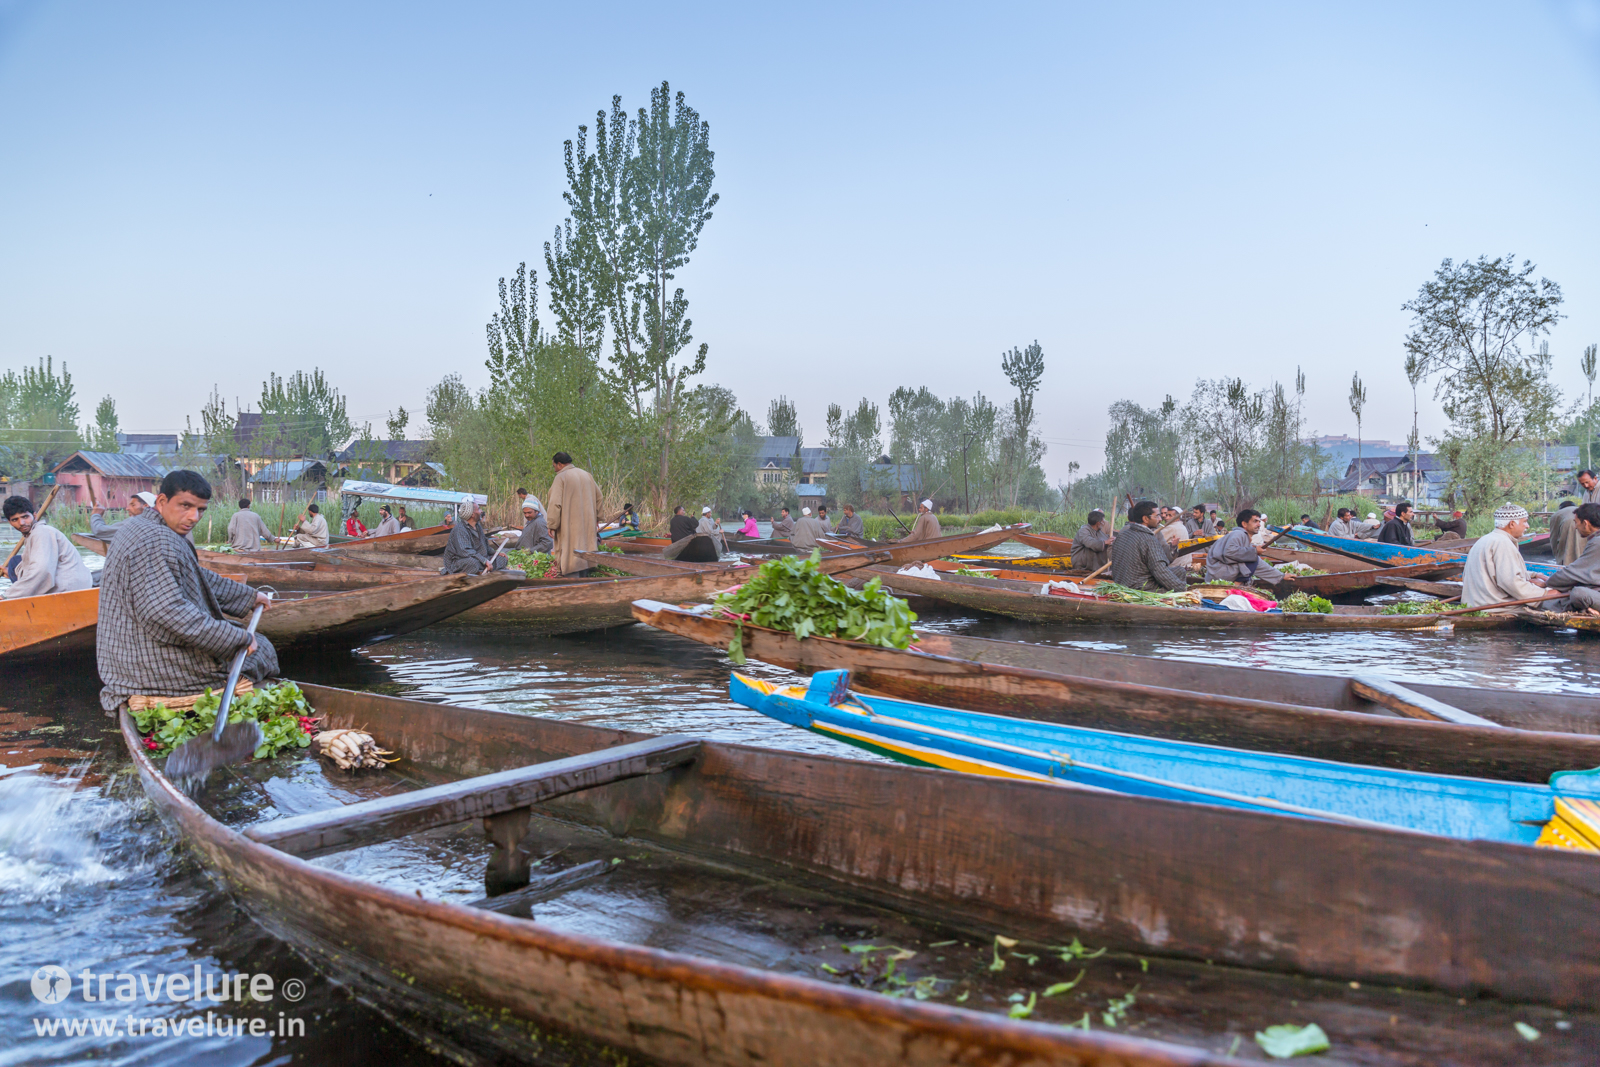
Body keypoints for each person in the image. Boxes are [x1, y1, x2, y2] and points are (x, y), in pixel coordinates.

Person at [96, 470, 277, 712]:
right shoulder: (156, 540)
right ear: (162, 502)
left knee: (250, 640)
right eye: (185, 506)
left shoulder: (142, 525)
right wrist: (236, 639)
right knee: (261, 649)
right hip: (147, 666)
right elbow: (169, 612)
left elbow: (196, 576)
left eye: (200, 510)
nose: (193, 517)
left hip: (135, 652)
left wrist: (248, 596)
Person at [1462, 503, 1551, 612]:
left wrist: (1533, 575)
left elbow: (1498, 572)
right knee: (1555, 603)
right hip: (1493, 607)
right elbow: (1510, 582)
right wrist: (1545, 594)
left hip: (1476, 603)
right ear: (1512, 524)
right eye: (1525, 521)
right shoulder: (1502, 543)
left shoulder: (1486, 539)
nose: (1527, 526)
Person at [2, 496, 93, 599]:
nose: (21, 523)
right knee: (15, 562)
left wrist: (6, 595)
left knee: (15, 563)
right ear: (10, 522)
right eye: (15, 520)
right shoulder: (31, 535)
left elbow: (41, 570)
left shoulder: (41, 532)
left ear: (34, 515)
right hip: (69, 586)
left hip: (67, 590)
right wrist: (11, 572)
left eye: (25, 517)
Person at [1110, 500, 1188, 592]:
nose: (1160, 519)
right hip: (1140, 587)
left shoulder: (1123, 534)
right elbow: (1160, 571)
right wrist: (1182, 589)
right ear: (1145, 519)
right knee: (1175, 583)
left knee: (1180, 571)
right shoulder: (1148, 539)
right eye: (1157, 516)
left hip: (1122, 582)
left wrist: (1173, 547)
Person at [547, 452, 600, 578]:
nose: (554, 469)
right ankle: (585, 576)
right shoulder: (587, 475)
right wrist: (597, 518)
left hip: (569, 524)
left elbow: (555, 503)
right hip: (587, 522)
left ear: (559, 464)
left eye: (554, 466)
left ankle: (572, 580)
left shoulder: (561, 477)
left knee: (570, 552)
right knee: (585, 547)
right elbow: (599, 497)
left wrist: (552, 524)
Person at [1205, 509, 1285, 587]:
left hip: (1221, 571)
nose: (1259, 525)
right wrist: (1254, 551)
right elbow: (1229, 551)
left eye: (1259, 522)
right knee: (1252, 560)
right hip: (1217, 572)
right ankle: (1236, 585)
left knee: (1253, 559)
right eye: (1255, 521)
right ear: (1244, 524)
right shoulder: (1239, 534)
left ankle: (1237, 584)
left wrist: (1281, 576)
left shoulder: (1244, 537)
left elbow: (1259, 564)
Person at [1544, 503, 1600, 614]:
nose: (1575, 527)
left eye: (1576, 523)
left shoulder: (1597, 542)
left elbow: (1574, 572)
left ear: (1585, 523)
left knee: (1578, 593)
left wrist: (1547, 583)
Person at [441, 501, 508, 575]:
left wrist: (497, 553)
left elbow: (485, 546)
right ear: (472, 514)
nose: (481, 511)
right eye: (478, 509)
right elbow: (465, 552)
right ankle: (482, 571)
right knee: (472, 563)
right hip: (460, 561)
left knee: (501, 559)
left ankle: (489, 573)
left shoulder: (478, 527)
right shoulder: (460, 529)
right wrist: (484, 561)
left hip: (479, 559)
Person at [90, 491, 156, 540]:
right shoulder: (156, 522)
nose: (127, 508)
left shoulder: (134, 522)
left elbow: (100, 531)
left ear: (145, 506)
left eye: (133, 505)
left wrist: (96, 514)